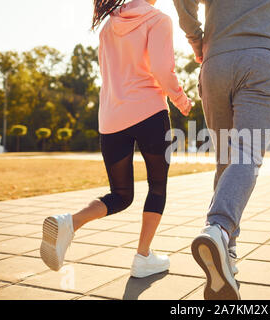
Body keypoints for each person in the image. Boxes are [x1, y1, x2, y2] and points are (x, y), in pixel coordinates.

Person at [40, 0, 192, 278]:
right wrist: (181, 100)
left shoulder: (108, 25)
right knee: (157, 186)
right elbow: (161, 68)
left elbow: (106, 74)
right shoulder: (158, 19)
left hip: (111, 119)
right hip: (149, 113)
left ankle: (69, 222)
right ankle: (143, 257)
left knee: (120, 195)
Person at [174, 0, 270, 299]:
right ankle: (219, 229)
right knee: (246, 155)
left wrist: (198, 41)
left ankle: (227, 261)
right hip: (262, 63)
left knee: (226, 161)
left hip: (216, 63)